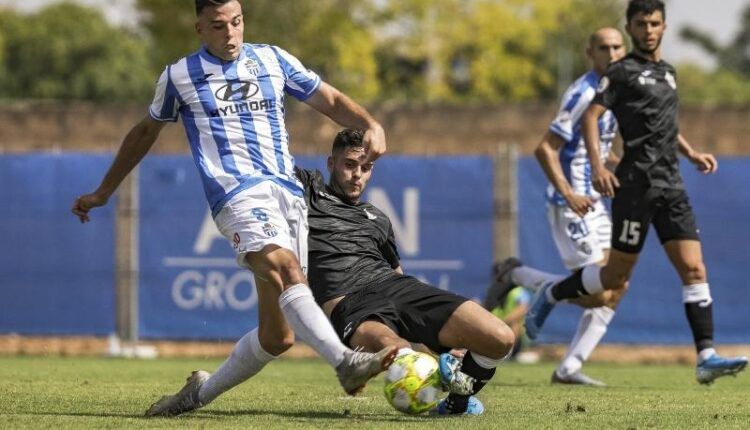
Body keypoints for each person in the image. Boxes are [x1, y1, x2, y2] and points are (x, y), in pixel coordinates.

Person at [72, 0, 397, 417]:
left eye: (237, 22)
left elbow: (329, 98)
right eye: (218, 26)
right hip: (237, 194)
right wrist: (103, 191)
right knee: (289, 271)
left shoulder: (272, 59)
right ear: (200, 29)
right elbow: (144, 133)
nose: (230, 34)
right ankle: (345, 363)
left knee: (277, 337)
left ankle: (196, 395)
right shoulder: (179, 76)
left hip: (288, 195)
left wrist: (370, 123)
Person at [525, 0, 748, 385]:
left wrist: (692, 153)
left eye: (655, 23)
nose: (649, 30)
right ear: (631, 27)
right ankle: (553, 293)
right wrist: (598, 166)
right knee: (614, 278)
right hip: (635, 188)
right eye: (641, 23)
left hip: (672, 186)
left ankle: (705, 355)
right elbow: (592, 117)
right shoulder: (621, 73)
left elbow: (661, 124)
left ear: (664, 27)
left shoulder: (668, 73)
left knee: (694, 268)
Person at [296, 129, 516, 415]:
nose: (357, 175)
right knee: (397, 351)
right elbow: (268, 158)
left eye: (366, 168)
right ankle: (448, 384)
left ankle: (455, 401)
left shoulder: (378, 218)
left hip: (395, 287)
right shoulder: (309, 190)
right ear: (331, 164)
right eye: (349, 164)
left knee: (500, 338)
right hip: (350, 303)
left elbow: (397, 276)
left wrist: (436, 349)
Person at [493, 28, 628, 386]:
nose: (611, 53)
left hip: (597, 203)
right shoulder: (582, 93)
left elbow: (596, 150)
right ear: (590, 53)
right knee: (598, 290)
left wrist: (619, 165)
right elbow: (545, 148)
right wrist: (568, 193)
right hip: (573, 205)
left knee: (617, 284)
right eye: (604, 48)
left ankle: (569, 368)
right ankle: (519, 277)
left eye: (617, 47)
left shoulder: (614, 91)